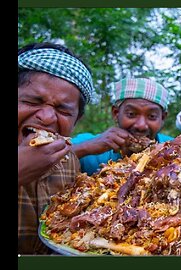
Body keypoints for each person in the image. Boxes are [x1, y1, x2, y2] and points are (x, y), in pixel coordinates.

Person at [18, 42, 96, 254]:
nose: (46, 117)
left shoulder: (69, 162)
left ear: (76, 120)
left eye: (63, 110)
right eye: (33, 101)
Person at [71, 78, 173, 175]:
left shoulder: (174, 148)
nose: (141, 125)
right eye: (131, 114)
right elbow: (56, 157)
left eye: (152, 116)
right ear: (116, 113)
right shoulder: (87, 144)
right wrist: (84, 148)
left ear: (162, 118)